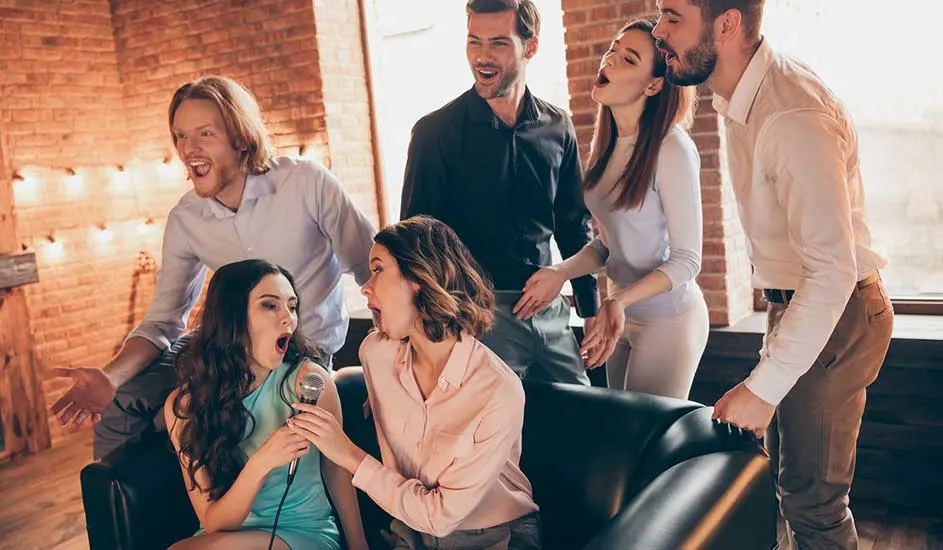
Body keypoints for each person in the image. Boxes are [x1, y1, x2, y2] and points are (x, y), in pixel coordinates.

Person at [652, 1, 894, 548]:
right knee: (789, 487)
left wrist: (761, 390)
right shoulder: (741, 93)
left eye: (671, 16)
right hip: (803, 306)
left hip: (837, 312)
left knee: (813, 504)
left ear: (728, 25)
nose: (659, 30)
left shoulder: (791, 116)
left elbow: (831, 272)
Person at [51, 75, 376, 459]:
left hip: (297, 352)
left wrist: (391, 361)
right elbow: (163, 321)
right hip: (223, 345)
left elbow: (371, 268)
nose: (189, 149)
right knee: (123, 401)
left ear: (240, 136)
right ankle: (130, 514)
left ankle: (205, 503)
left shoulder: (305, 183)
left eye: (204, 133)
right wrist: (111, 376)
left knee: (189, 418)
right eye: (180, 136)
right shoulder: (186, 218)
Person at [286, 216, 542, 550]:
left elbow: (440, 515)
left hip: (496, 537)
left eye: (378, 269)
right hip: (413, 533)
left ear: (419, 278)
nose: (365, 286)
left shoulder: (497, 390)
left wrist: (346, 452)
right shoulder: (375, 356)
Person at [399, 0, 598, 385]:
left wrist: (589, 308)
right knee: (500, 439)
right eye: (474, 42)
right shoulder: (435, 133)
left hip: (551, 310)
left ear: (531, 47)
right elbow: (415, 243)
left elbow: (574, 223)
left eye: (499, 44)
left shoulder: (558, 126)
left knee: (581, 423)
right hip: (478, 317)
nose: (483, 57)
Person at [515, 17, 707, 399]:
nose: (611, 60)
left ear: (654, 84)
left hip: (668, 319)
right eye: (613, 49)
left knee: (642, 443)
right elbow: (609, 244)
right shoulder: (606, 145)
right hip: (620, 317)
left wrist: (618, 300)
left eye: (629, 59)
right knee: (621, 436)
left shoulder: (673, 149)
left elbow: (688, 260)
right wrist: (560, 272)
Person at [164, 259, 368, 550]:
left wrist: (360, 547)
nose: (289, 318)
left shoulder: (307, 381)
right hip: (225, 539)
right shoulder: (183, 406)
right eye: (270, 305)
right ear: (232, 317)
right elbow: (214, 522)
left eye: (292, 306)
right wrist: (264, 461)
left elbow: (337, 472)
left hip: (304, 533)